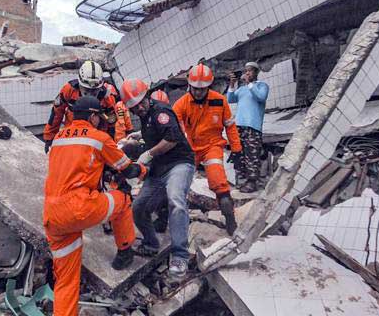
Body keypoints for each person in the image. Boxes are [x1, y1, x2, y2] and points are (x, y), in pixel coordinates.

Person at [44, 96, 147, 316]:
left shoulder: (59, 138)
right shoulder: (98, 138)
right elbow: (126, 169)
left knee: (66, 282)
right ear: (92, 116)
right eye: (98, 117)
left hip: (53, 216)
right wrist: (143, 170)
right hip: (80, 208)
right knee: (123, 199)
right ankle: (125, 252)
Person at [120, 79, 195, 278]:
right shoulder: (144, 116)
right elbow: (155, 133)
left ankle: (180, 255)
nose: (139, 109)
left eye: (141, 103)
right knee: (138, 208)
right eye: (134, 108)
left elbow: (171, 138)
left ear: (147, 96)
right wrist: (139, 137)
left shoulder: (161, 111)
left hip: (179, 163)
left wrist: (150, 154)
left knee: (176, 200)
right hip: (159, 169)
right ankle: (151, 244)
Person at [172, 64, 242, 235]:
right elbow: (172, 131)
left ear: (209, 86)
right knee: (177, 185)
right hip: (190, 149)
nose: (198, 92)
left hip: (212, 146)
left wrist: (236, 149)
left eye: (202, 89)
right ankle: (168, 218)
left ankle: (230, 220)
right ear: (189, 85)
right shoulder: (181, 105)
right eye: (195, 88)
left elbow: (230, 126)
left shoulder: (220, 100)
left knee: (220, 184)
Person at [43, 61, 116, 153]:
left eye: (94, 91)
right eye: (87, 90)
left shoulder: (107, 98)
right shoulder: (69, 90)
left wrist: (110, 147)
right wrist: (49, 137)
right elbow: (57, 113)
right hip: (72, 136)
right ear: (80, 83)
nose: (90, 94)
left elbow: (112, 124)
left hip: (96, 140)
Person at [227, 62, 269, 193]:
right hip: (239, 126)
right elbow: (230, 99)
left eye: (250, 71)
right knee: (239, 153)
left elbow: (261, 97)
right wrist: (232, 84)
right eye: (246, 71)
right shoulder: (242, 89)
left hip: (253, 126)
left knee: (252, 154)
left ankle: (252, 182)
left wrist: (250, 83)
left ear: (256, 72)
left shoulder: (262, 86)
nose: (247, 73)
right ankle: (242, 180)